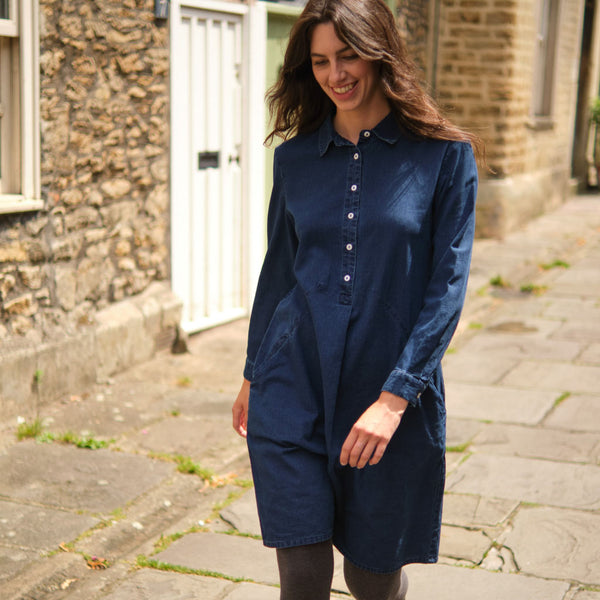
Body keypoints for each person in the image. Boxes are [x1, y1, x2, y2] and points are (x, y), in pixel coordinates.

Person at [232, 0, 480, 598]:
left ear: (379, 53)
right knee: (302, 576)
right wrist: (252, 374)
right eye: (320, 61)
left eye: (348, 56)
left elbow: (446, 289)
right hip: (291, 384)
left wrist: (395, 400)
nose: (335, 74)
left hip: (384, 390)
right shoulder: (295, 159)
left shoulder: (444, 156)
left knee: (372, 579)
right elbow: (279, 274)